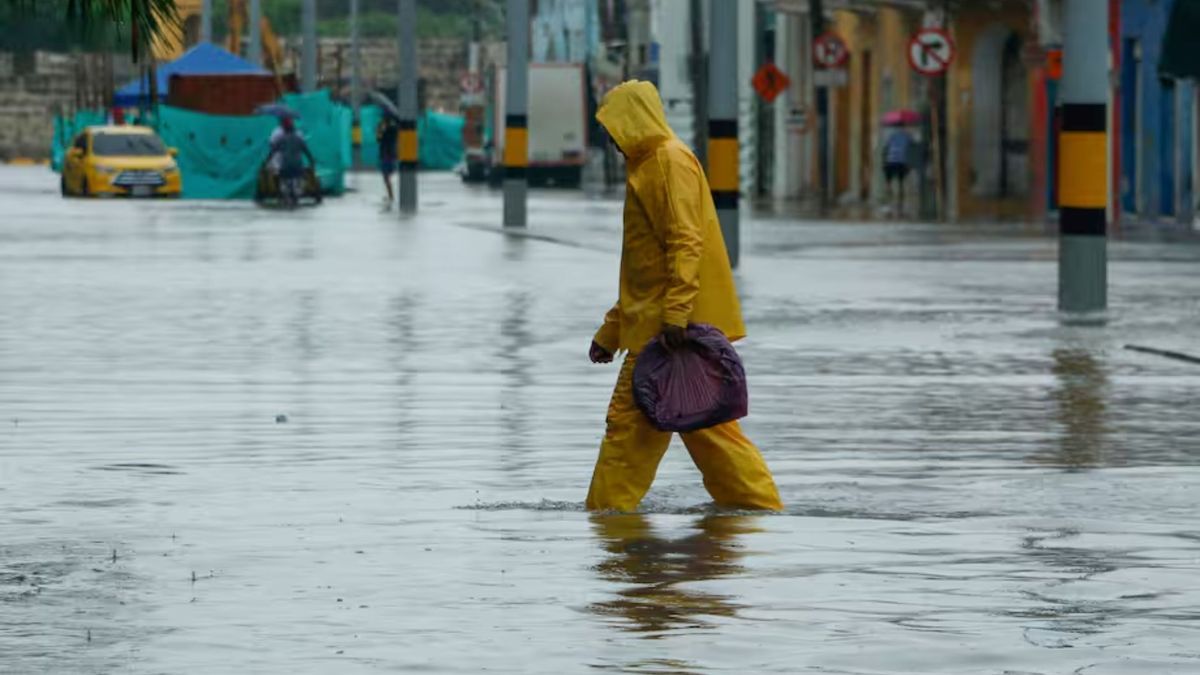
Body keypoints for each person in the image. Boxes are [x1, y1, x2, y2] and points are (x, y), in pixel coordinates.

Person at [585, 80, 783, 513]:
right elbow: (645, 271)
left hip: (665, 334)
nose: (611, 140)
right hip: (663, 327)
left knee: (627, 434)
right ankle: (759, 514)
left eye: (614, 128)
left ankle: (607, 524)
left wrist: (675, 316)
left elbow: (684, 242)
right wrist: (611, 332)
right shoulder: (651, 165)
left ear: (632, 122)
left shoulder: (665, 162)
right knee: (711, 432)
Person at [267, 116, 315, 206]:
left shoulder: (281, 138)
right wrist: (312, 161)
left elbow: (272, 150)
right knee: (300, 178)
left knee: (282, 179)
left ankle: (283, 195)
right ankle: (296, 195)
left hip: (285, 166)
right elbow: (306, 151)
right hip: (298, 167)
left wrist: (267, 160)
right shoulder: (299, 138)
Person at [882, 126, 915, 215]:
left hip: (890, 161)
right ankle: (900, 205)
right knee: (901, 184)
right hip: (901, 162)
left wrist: (884, 161)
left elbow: (886, 147)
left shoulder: (891, 135)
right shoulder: (907, 136)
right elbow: (912, 146)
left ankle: (889, 204)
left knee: (888, 183)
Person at [376, 113, 400, 207]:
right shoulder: (387, 128)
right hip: (386, 155)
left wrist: (382, 130)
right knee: (386, 177)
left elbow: (384, 139)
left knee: (386, 176)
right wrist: (380, 130)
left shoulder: (391, 129)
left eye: (384, 120)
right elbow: (378, 139)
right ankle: (390, 195)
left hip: (388, 155)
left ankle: (391, 195)